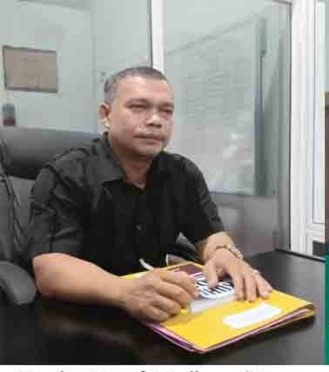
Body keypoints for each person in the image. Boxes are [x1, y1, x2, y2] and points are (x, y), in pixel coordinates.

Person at [28, 66, 272, 322]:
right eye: (139, 107)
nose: (156, 120)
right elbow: (50, 269)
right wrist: (124, 291)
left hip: (159, 309)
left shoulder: (182, 173)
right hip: (80, 317)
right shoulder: (66, 173)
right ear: (106, 115)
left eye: (166, 111)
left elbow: (210, 234)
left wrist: (224, 253)